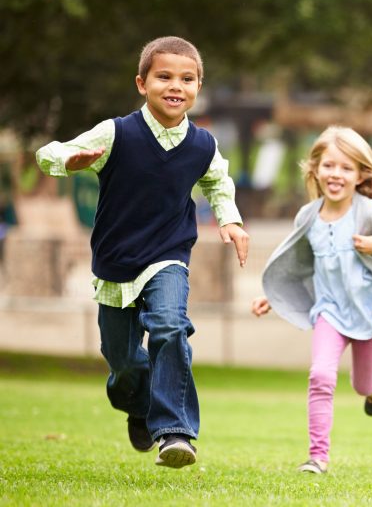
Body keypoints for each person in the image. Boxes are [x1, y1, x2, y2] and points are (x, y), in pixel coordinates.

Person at [36, 36, 250, 468]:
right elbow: (49, 153)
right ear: (141, 83)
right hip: (115, 261)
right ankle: (139, 405)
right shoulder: (116, 133)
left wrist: (230, 219)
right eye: (164, 76)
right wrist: (70, 162)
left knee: (170, 326)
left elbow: (217, 183)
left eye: (187, 79)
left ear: (198, 86)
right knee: (124, 364)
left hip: (169, 255)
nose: (176, 86)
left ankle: (175, 433)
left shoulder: (203, 145)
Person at [251, 126, 372, 475]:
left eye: (346, 168)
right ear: (315, 169)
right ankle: (317, 457)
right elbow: (298, 265)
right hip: (330, 312)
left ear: (361, 175)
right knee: (321, 375)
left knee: (363, 385)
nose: (336, 174)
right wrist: (273, 296)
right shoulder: (307, 217)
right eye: (329, 166)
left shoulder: (369, 213)